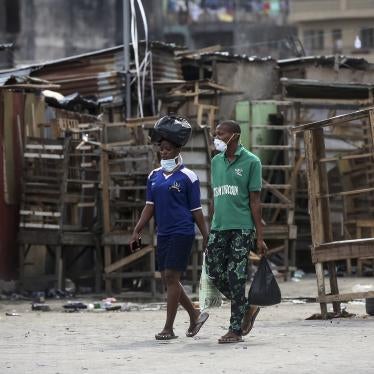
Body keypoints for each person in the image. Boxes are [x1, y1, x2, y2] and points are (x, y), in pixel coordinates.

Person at [129, 116, 209, 341]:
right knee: (167, 279)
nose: (163, 152)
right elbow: (149, 207)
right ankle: (195, 314)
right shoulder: (153, 177)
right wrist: (137, 230)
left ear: (177, 150)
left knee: (172, 277)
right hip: (162, 233)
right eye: (161, 149)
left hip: (182, 231)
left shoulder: (188, 177)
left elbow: (196, 210)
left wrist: (206, 236)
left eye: (167, 149)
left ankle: (169, 328)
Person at [205, 120, 267, 344]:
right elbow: (215, 197)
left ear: (235, 136)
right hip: (219, 227)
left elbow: (255, 202)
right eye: (216, 134)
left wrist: (259, 237)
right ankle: (247, 307)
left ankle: (235, 330)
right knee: (213, 272)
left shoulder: (252, 162)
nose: (217, 137)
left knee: (236, 276)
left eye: (221, 134)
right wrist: (210, 228)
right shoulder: (215, 162)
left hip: (242, 228)